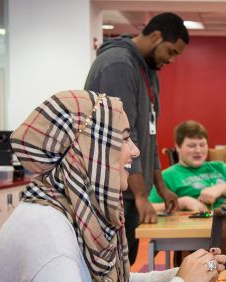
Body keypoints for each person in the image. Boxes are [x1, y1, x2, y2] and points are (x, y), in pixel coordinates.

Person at [0, 91, 226, 282]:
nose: (135, 150)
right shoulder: (45, 228)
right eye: (123, 138)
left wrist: (188, 273)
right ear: (88, 147)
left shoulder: (72, 209)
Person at [84, 12, 188, 265]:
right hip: (111, 190)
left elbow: (148, 132)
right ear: (155, 36)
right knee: (110, 269)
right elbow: (123, 135)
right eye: (171, 51)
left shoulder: (147, 69)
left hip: (129, 188)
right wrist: (142, 195)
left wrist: (160, 186)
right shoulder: (118, 65)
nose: (171, 60)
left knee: (125, 266)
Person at [149, 120, 226, 212]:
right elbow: (150, 207)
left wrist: (220, 188)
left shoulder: (219, 166)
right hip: (197, 229)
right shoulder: (168, 176)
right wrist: (182, 202)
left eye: (202, 145)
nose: (198, 151)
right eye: (191, 146)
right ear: (178, 146)